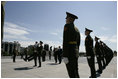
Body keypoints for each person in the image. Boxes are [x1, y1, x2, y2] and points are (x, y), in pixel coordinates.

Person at [63, 12, 80, 78]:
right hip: (75, 53)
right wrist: (76, 51)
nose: (66, 20)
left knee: (72, 74)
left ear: (70, 19)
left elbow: (65, 41)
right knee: (76, 72)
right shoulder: (77, 29)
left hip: (69, 54)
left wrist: (65, 55)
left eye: (66, 18)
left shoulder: (67, 26)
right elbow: (78, 43)